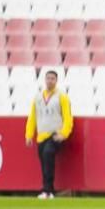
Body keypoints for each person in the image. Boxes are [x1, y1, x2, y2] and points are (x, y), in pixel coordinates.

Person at [24, 69, 73, 199]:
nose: (50, 81)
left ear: (56, 81)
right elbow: (33, 117)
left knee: (48, 154)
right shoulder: (38, 97)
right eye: (48, 78)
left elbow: (68, 117)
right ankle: (47, 189)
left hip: (55, 134)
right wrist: (29, 134)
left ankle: (48, 190)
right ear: (44, 80)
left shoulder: (62, 97)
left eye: (52, 78)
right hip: (41, 136)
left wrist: (64, 133)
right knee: (44, 161)